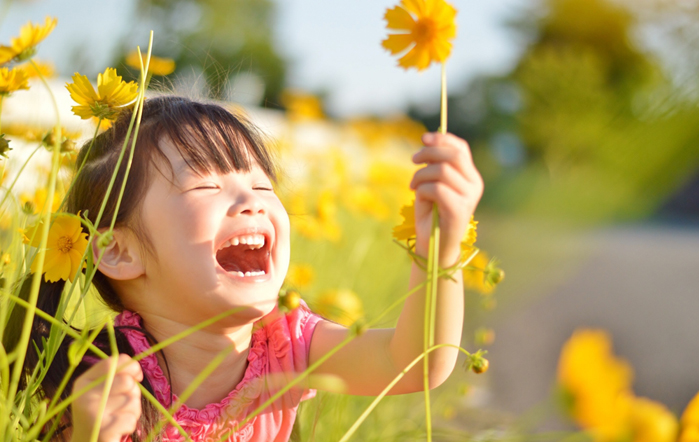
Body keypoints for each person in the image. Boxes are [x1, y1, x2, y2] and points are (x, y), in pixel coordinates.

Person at [6, 95, 483, 441]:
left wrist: (442, 246)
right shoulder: (105, 379)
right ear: (119, 252)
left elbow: (413, 364)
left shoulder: (286, 345)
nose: (250, 204)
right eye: (205, 188)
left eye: (261, 186)